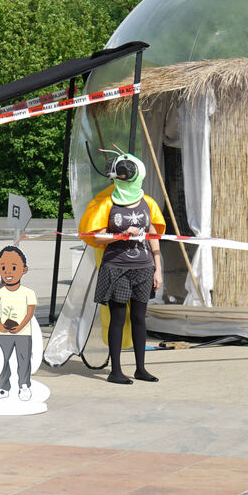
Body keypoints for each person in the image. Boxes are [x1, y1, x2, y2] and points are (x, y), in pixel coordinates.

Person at [79, 151, 165, 385]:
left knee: (139, 318)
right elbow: (96, 237)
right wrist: (121, 235)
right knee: (118, 317)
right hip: (117, 267)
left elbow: (153, 236)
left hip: (144, 267)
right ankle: (115, 370)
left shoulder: (148, 203)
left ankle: (140, 368)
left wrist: (158, 268)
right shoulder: (107, 201)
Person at [0, 246, 36, 402]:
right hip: (4, 332)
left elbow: (30, 312)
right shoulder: (0, 292)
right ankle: (2, 388)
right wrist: (0, 325)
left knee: (23, 359)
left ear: (24, 270)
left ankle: (24, 386)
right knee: (2, 359)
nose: (8, 272)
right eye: (4, 267)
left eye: (14, 267)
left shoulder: (28, 292)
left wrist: (20, 327)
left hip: (23, 333)